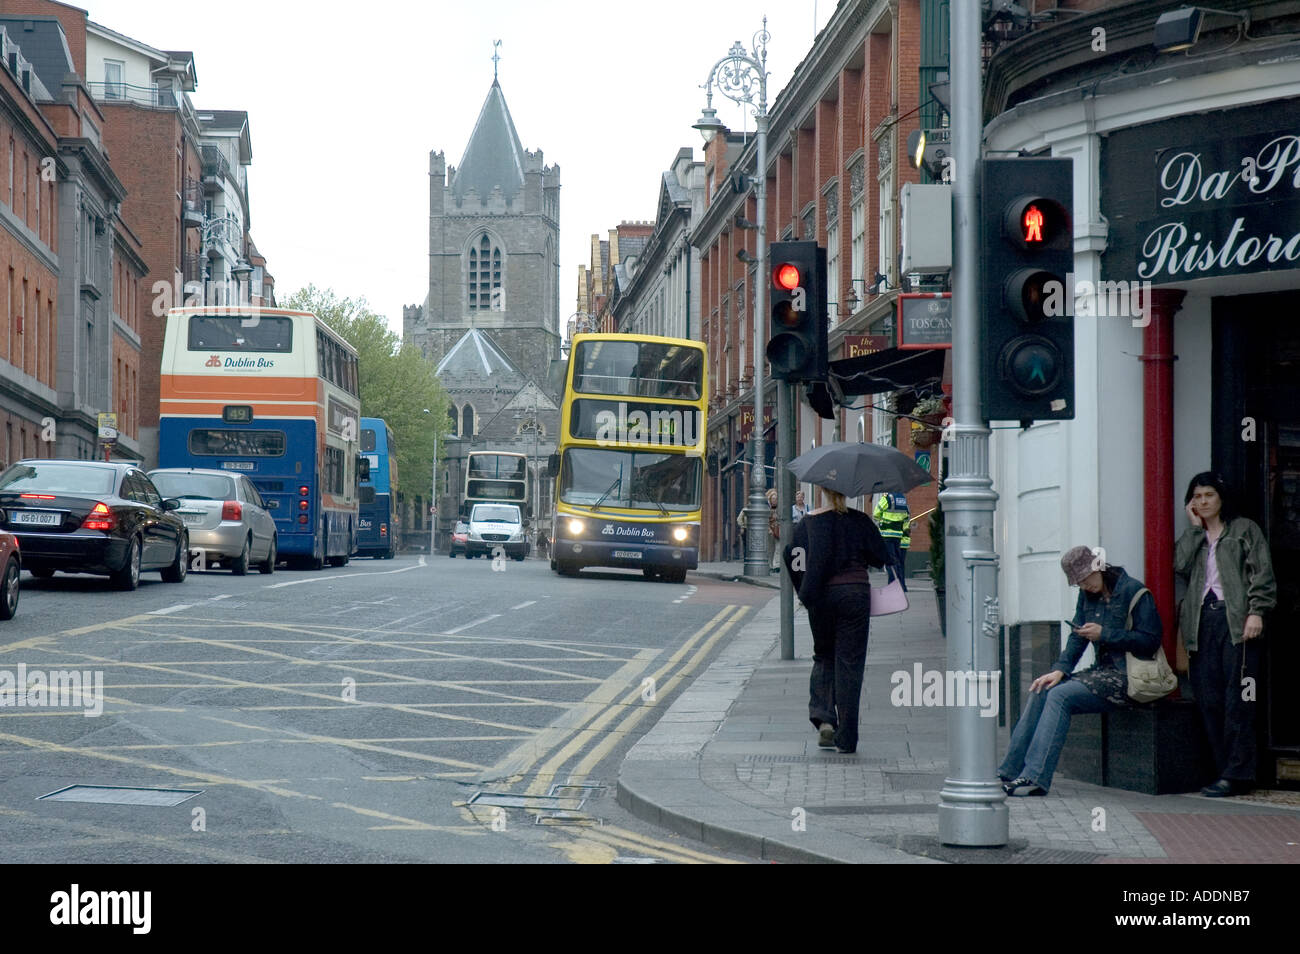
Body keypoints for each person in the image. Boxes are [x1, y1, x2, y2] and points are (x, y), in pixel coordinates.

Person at [999, 545, 1162, 796]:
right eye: (1079, 583)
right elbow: (1077, 639)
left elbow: (1150, 641)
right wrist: (1059, 671)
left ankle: (1035, 777)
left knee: (1060, 696)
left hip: (1130, 676)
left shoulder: (1134, 592)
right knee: (1044, 688)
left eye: (1086, 579)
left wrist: (1105, 634)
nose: (1084, 586)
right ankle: (1009, 771)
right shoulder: (1088, 596)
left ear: (1099, 568)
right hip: (1102, 673)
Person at [1174, 472, 1276, 797]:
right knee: (1208, 699)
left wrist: (1257, 611)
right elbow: (1179, 565)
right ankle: (1223, 771)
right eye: (1197, 497)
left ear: (1221, 499)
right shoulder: (1196, 536)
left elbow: (1262, 571)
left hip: (1237, 623)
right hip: (1202, 623)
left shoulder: (1244, 529)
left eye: (1208, 495)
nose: (1202, 502)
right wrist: (1193, 528)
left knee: (1239, 701)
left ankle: (1238, 773)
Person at [783, 485, 890, 754]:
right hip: (855, 594)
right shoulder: (860, 520)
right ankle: (848, 737)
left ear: (822, 491)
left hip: (821, 597)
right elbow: (880, 557)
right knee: (850, 664)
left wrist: (804, 590)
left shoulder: (809, 523)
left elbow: (791, 557)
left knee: (824, 656)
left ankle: (824, 719)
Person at [873, 492, 910, 590]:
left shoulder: (887, 498)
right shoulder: (902, 499)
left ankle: (893, 585)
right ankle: (899, 585)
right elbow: (906, 517)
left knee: (890, 561)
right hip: (898, 534)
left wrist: (882, 520)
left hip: (887, 534)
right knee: (897, 560)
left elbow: (876, 513)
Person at [767, 488, 780, 573]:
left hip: (778, 530)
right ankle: (770, 565)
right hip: (770, 530)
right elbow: (765, 520)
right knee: (771, 548)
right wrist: (769, 529)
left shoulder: (779, 508)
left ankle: (776, 565)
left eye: (776, 499)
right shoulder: (768, 509)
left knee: (778, 547)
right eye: (773, 498)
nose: (774, 500)